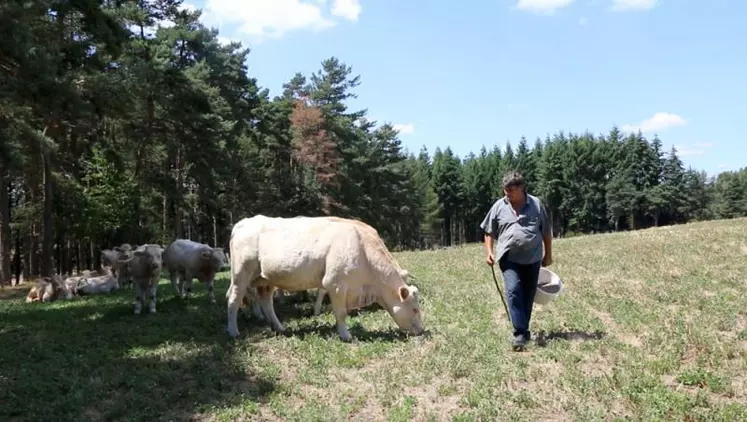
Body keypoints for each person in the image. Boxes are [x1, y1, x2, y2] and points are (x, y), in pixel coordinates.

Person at [480, 171, 553, 351]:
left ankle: (523, 329)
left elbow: (546, 231)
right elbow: (489, 230)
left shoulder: (536, 204)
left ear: (521, 188)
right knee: (513, 290)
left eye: (511, 189)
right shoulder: (499, 206)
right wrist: (489, 251)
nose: (507, 193)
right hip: (509, 258)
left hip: (533, 258)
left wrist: (548, 255)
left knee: (528, 295)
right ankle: (519, 333)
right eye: (505, 189)